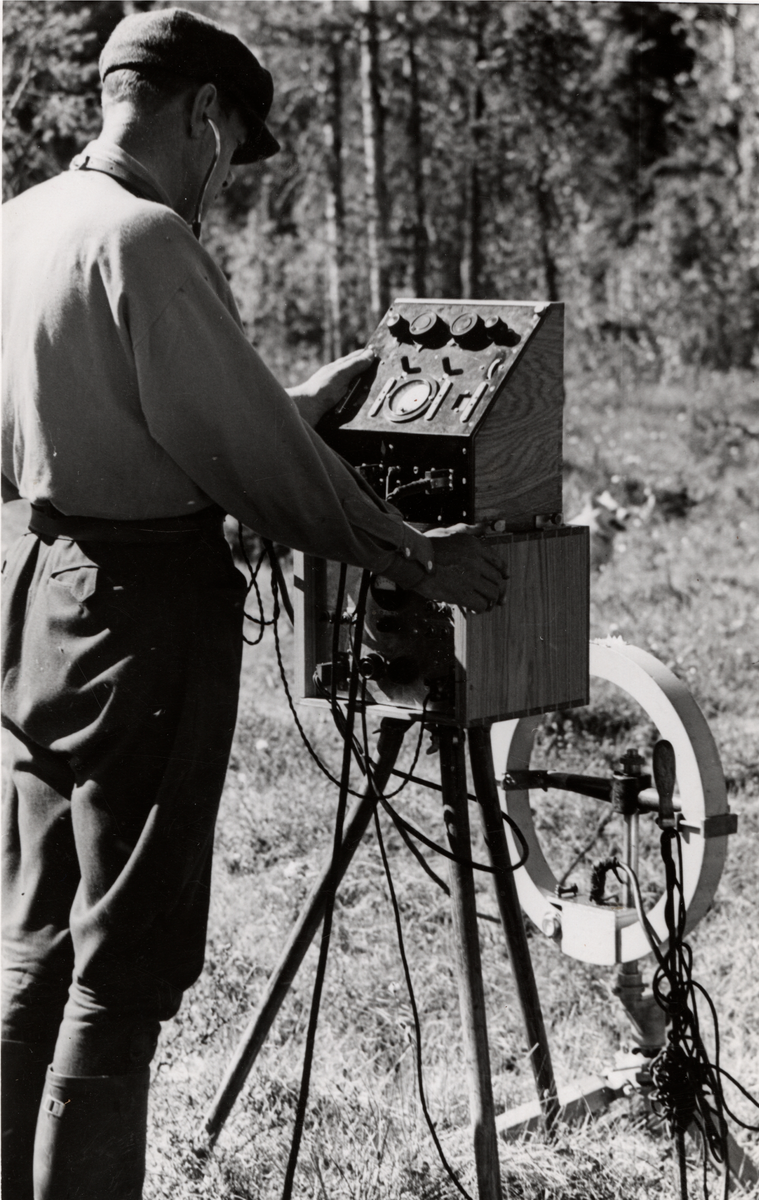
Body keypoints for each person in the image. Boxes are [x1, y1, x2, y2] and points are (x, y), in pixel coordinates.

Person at [1, 9, 506, 1198]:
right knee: (123, 963)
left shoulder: (25, 221)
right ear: (205, 118)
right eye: (231, 153)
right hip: (144, 622)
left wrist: (290, 402)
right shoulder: (148, 238)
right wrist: (412, 554)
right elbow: (255, 467)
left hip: (41, 597)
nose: (222, 182)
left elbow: (127, 410)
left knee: (35, 938)